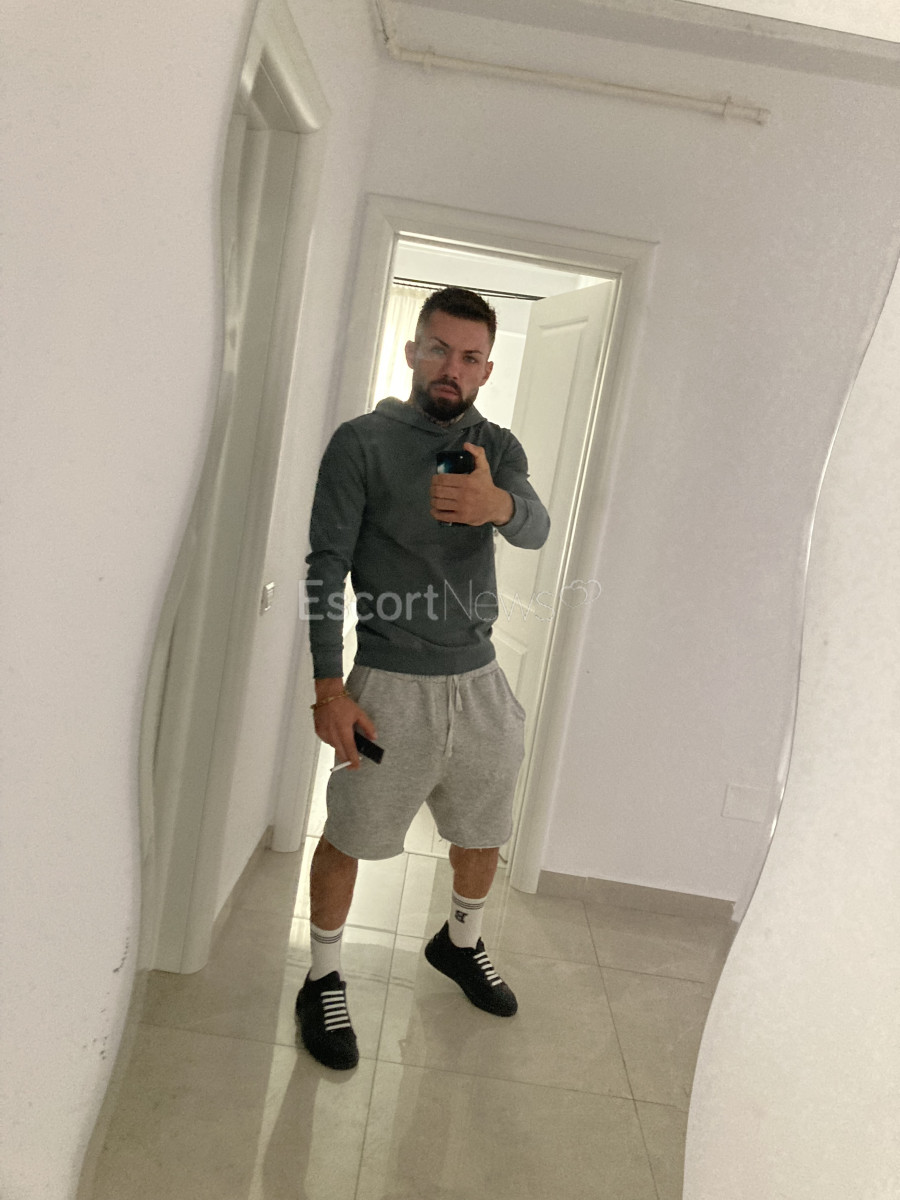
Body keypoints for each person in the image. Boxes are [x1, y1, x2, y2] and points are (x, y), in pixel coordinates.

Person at [296, 286, 550, 1070]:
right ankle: (323, 976)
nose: (452, 368)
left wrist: (493, 502)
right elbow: (326, 565)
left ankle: (460, 942)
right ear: (412, 351)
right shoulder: (362, 443)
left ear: (487, 369)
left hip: (480, 682)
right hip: (389, 682)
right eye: (438, 348)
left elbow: (536, 527)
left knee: (483, 828)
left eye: (470, 357)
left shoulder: (497, 446)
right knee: (350, 834)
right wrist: (329, 687)